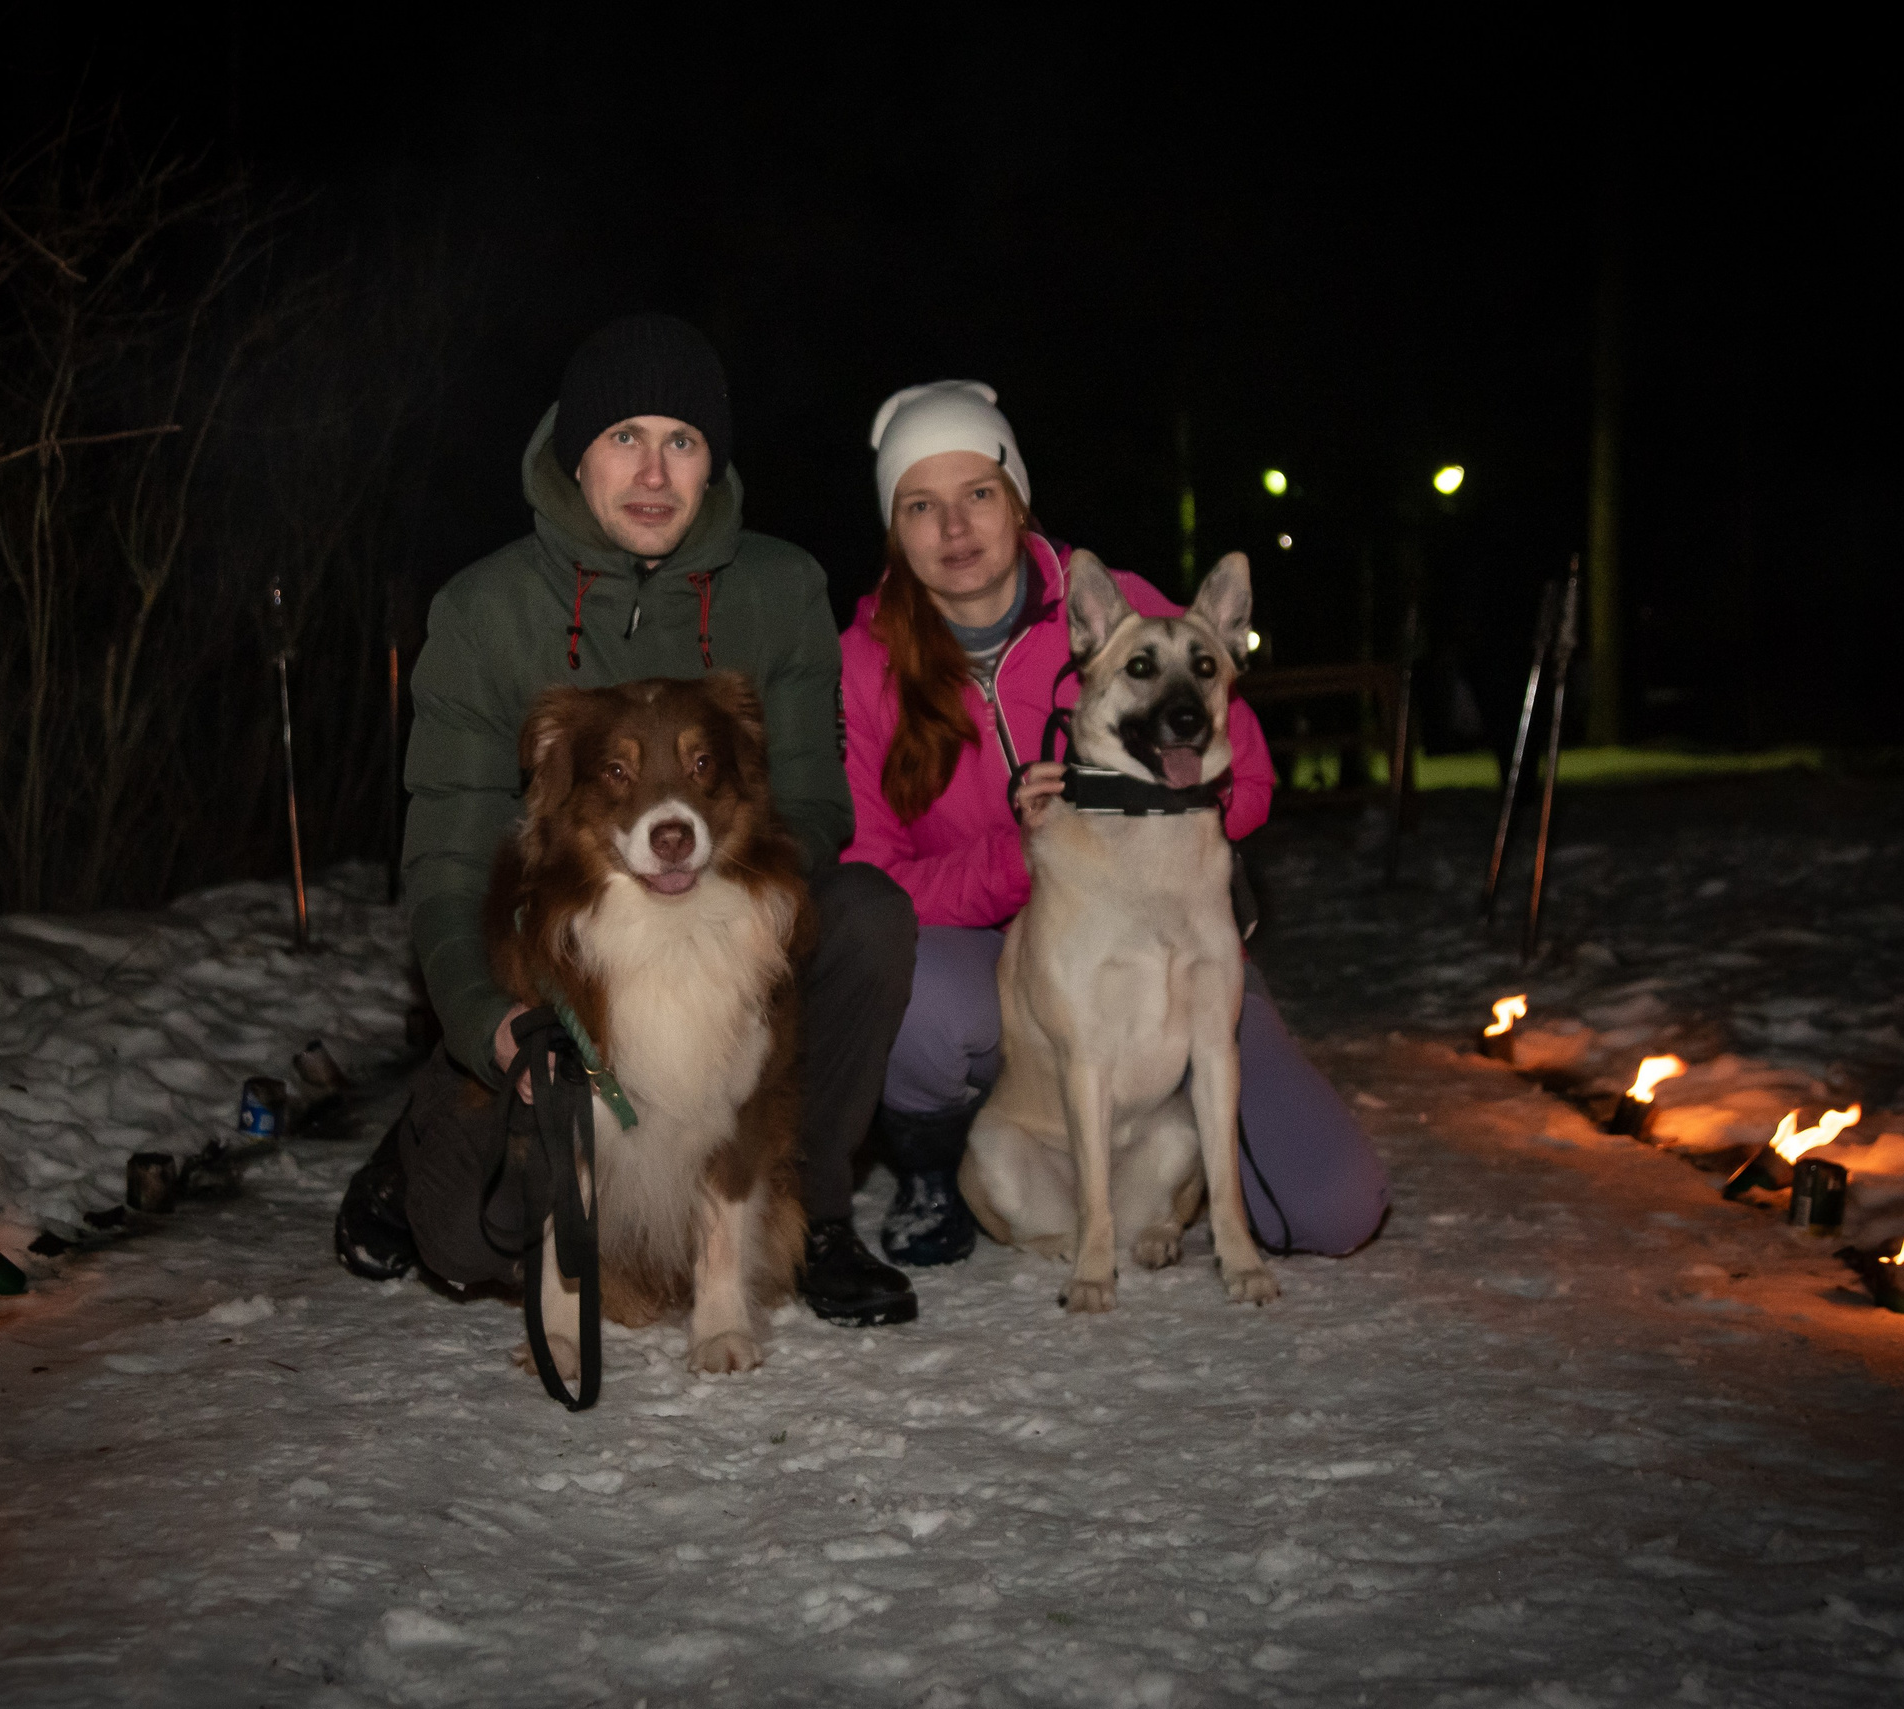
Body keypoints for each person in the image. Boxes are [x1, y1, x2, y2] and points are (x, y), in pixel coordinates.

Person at [334, 314, 922, 1327]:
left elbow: (818, 803)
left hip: (723, 928)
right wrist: (490, 1024)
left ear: (712, 462)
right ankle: (417, 1145)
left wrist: (730, 914)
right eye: (624, 438)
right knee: (473, 1240)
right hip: (552, 959)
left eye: (682, 441)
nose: (653, 471)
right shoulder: (486, 610)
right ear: (576, 451)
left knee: (865, 914)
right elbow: (446, 855)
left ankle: (813, 1209)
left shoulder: (780, 589)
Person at [839, 380, 1390, 1266]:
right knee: (905, 988)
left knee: (1331, 1211)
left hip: (1175, 949)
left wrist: (1139, 812)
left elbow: (1246, 779)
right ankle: (937, 1169)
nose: (955, 527)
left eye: (978, 493)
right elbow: (870, 877)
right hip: (997, 961)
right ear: (893, 529)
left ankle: (1189, 1167)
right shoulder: (861, 665)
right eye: (920, 505)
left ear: (1016, 498)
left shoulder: (1121, 610)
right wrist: (1023, 856)